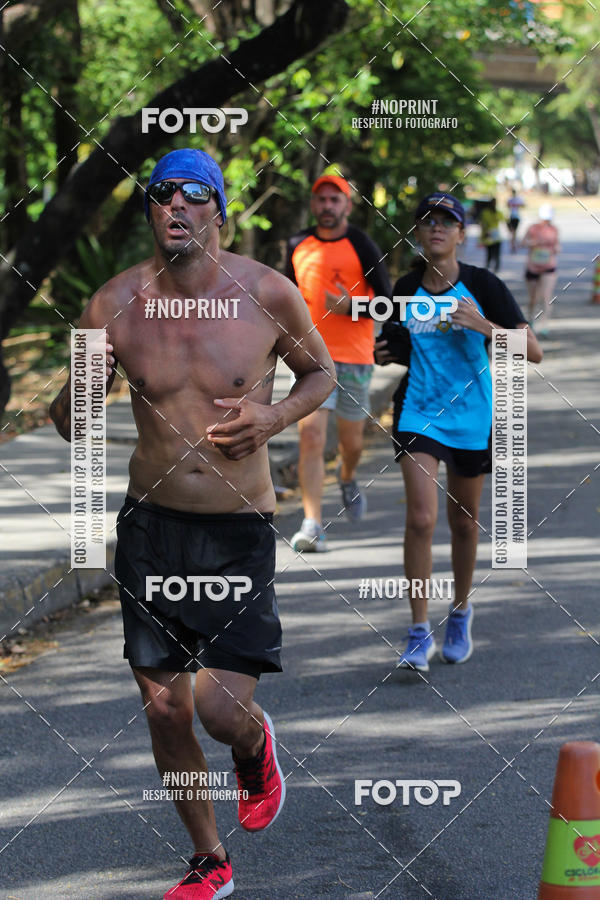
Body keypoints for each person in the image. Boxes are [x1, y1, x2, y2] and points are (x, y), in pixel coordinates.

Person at [49, 148, 335, 899]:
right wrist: (81, 385)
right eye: (160, 196)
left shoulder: (267, 293)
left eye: (192, 195)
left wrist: (271, 415)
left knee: (216, 707)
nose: (174, 206)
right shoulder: (113, 303)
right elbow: (71, 423)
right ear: (149, 210)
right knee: (167, 706)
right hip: (151, 529)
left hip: (237, 529)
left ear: (219, 209)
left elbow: (321, 373)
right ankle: (211, 860)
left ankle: (253, 746)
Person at [375, 192, 542, 673]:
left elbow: (533, 351)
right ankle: (416, 631)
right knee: (421, 519)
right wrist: (385, 354)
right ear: (419, 234)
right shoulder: (405, 289)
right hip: (418, 415)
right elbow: (398, 346)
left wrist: (484, 325)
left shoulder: (483, 285)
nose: (436, 229)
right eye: (427, 222)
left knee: (464, 523)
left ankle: (461, 611)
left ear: (461, 234)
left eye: (447, 222)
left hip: (472, 417)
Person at [285, 174, 391, 552]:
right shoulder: (298, 245)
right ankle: (312, 523)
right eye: (321, 200)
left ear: (347, 205)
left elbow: (388, 304)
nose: (327, 206)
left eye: (335, 200)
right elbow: (284, 297)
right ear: (313, 205)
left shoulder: (363, 245)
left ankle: (347, 476)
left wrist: (353, 306)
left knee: (352, 442)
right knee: (311, 437)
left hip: (355, 359)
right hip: (311, 361)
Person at [522, 204, 560, 337]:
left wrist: (556, 248)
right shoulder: (533, 228)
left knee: (546, 297)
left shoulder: (554, 229)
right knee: (533, 298)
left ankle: (544, 325)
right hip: (533, 266)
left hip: (549, 267)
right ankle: (531, 320)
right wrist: (531, 243)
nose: (546, 221)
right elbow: (523, 242)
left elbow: (557, 245)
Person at [479, 197, 504, 272]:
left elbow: (483, 224)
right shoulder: (495, 213)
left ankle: (492, 267)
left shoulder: (494, 212)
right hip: (493, 235)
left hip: (491, 235)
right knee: (493, 253)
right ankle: (493, 267)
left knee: (492, 253)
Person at [506, 188, 525, 252]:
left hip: (516, 217)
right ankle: (513, 244)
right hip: (512, 216)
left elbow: (523, 205)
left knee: (514, 232)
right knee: (513, 232)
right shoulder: (510, 199)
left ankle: (513, 244)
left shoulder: (518, 199)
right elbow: (507, 206)